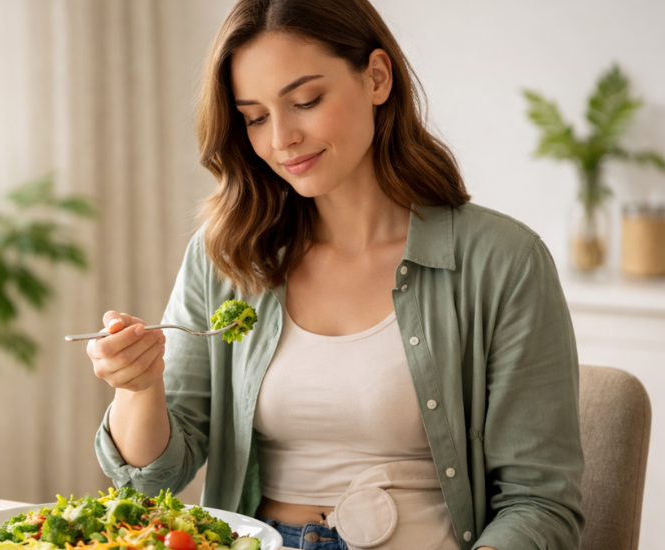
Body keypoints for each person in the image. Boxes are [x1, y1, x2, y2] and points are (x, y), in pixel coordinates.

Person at [87, 0, 584, 549]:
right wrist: (138, 387)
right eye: (255, 117)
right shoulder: (226, 257)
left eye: (305, 100)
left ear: (376, 77)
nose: (281, 139)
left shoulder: (504, 262)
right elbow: (153, 478)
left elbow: (539, 503)